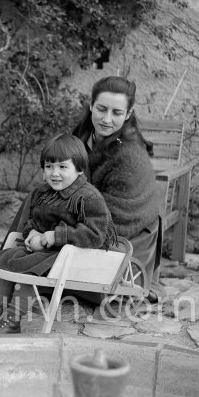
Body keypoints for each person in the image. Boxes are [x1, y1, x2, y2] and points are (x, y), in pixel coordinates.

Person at [0, 134, 117, 334]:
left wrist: (55, 236)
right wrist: (33, 234)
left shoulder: (88, 198)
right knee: (10, 260)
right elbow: (32, 220)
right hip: (44, 251)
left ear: (80, 169)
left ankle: (12, 320)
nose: (54, 173)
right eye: (49, 166)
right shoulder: (43, 193)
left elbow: (95, 234)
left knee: (27, 269)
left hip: (70, 255)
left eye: (63, 167)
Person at [72, 76, 161, 293]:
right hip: (85, 216)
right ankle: (13, 258)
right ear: (91, 105)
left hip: (125, 234)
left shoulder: (129, 155)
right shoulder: (82, 138)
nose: (106, 119)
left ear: (128, 114)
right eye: (101, 109)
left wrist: (61, 226)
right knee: (37, 200)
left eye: (117, 113)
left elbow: (115, 217)